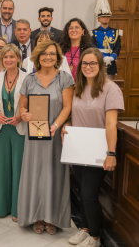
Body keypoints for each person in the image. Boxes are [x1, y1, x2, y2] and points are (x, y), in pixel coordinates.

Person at [63, 48, 124, 247]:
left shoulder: (110, 88)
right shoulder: (78, 87)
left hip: (99, 149)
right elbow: (74, 115)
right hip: (80, 148)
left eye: (93, 63)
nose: (88, 67)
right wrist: (67, 125)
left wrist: (111, 153)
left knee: (89, 193)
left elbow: (110, 124)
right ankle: (86, 229)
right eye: (85, 63)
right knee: (82, 191)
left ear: (101, 66)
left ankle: (95, 237)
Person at [18, 40, 74, 234]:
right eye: (44, 54)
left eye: (52, 54)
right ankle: (36, 216)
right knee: (35, 174)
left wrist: (56, 125)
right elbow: (22, 106)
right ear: (37, 57)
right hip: (35, 133)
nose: (48, 57)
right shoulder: (29, 79)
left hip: (56, 133)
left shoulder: (65, 78)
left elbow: (68, 106)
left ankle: (53, 217)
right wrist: (24, 114)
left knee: (54, 174)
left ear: (58, 57)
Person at [0, 44, 27, 222]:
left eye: (12, 57)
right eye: (5, 57)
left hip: (19, 128)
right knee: (1, 168)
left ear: (19, 58)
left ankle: (17, 209)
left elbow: (32, 102)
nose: (8, 60)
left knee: (18, 167)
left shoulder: (28, 77)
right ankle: (0, 207)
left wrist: (21, 116)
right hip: (1, 127)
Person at [92, 0, 121, 75]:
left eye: (108, 16)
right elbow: (93, 47)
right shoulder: (93, 32)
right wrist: (103, 57)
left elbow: (118, 46)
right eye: (103, 17)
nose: (106, 18)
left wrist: (112, 57)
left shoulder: (116, 32)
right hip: (98, 60)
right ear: (98, 19)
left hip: (112, 62)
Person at [59, 18, 93, 82]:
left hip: (83, 85)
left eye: (77, 27)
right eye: (71, 28)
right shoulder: (60, 48)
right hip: (63, 86)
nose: (73, 30)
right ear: (67, 31)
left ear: (83, 31)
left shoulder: (90, 49)